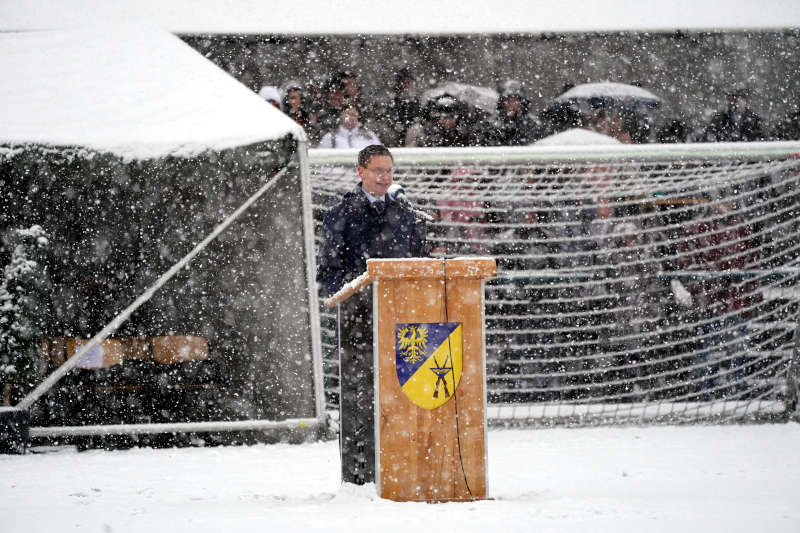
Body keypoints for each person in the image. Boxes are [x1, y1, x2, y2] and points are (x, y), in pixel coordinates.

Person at [317, 145, 428, 485]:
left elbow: (419, 264)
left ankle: (406, 470)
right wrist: (358, 292)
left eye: (390, 171)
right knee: (360, 402)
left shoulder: (406, 215)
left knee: (406, 399)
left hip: (404, 325)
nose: (385, 177)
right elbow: (328, 274)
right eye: (379, 171)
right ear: (361, 171)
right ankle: (360, 477)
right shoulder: (341, 214)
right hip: (358, 325)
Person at [484, 80, 544, 146]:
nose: (511, 104)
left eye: (515, 100)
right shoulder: (492, 123)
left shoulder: (532, 124)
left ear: (521, 103)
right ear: (503, 102)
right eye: (509, 100)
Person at [317, 106, 382, 149]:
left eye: (353, 115)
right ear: (341, 116)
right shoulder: (330, 138)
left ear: (358, 117)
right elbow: (319, 162)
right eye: (347, 114)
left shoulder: (369, 136)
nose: (350, 118)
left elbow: (381, 158)